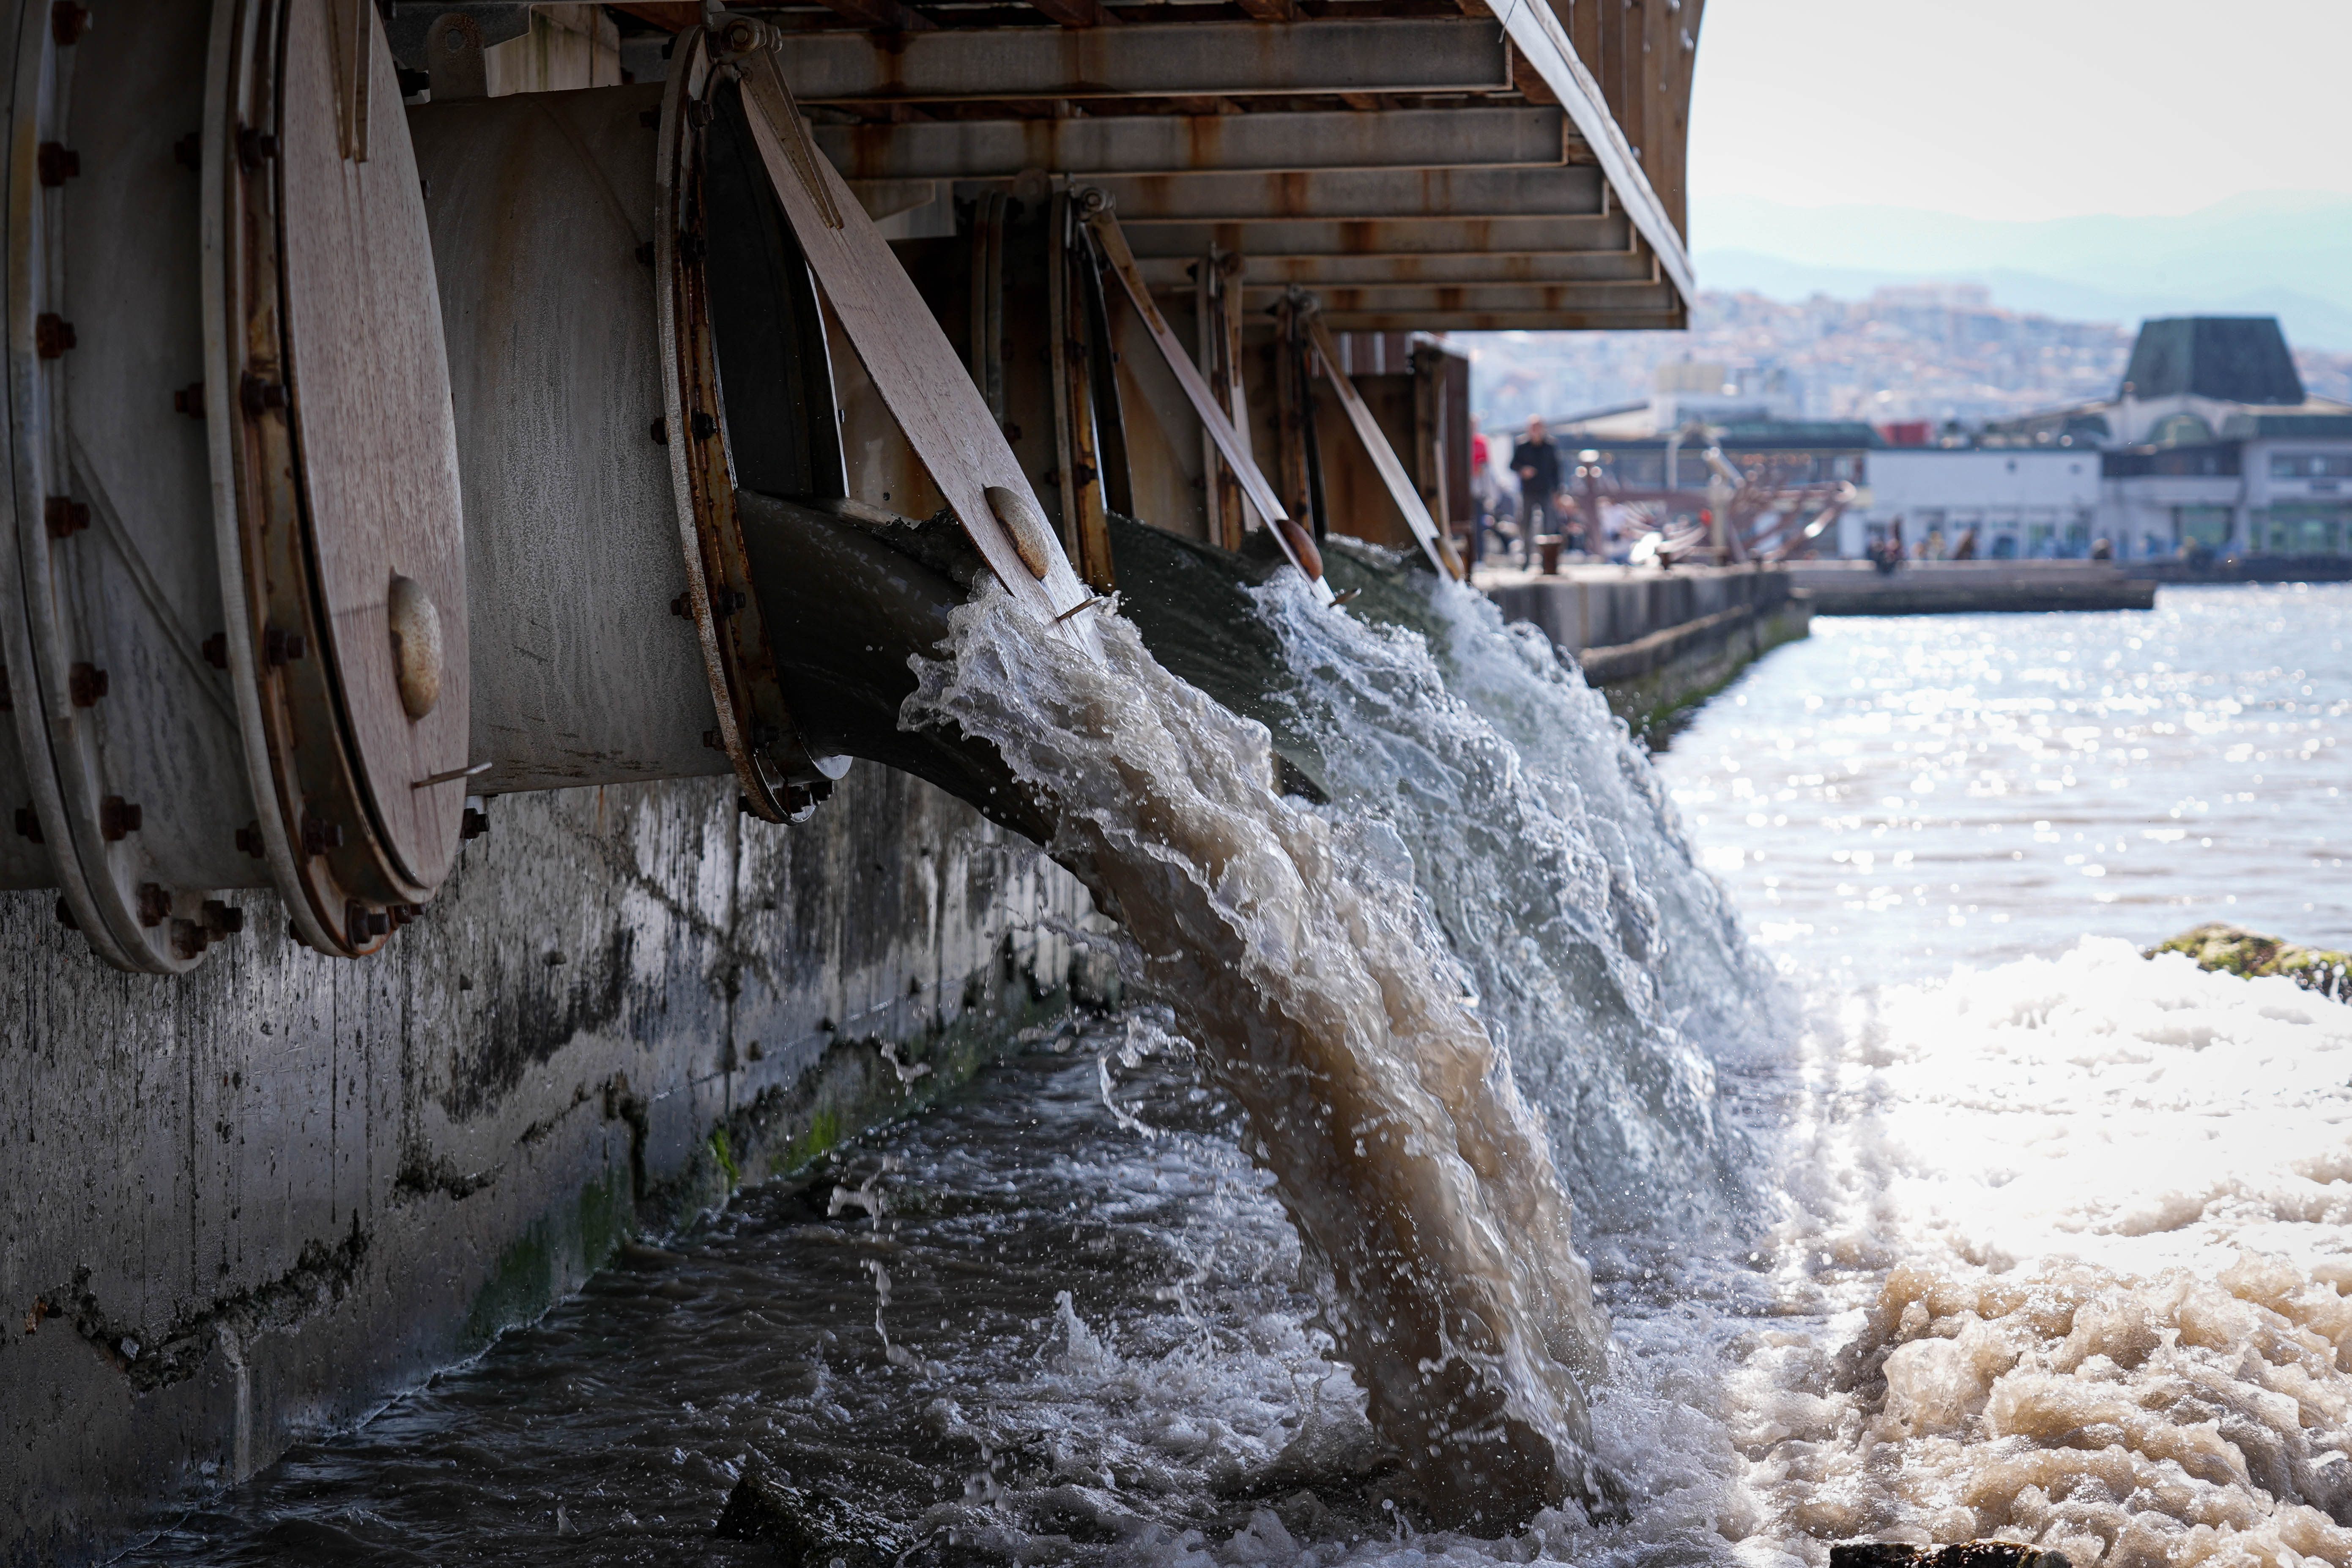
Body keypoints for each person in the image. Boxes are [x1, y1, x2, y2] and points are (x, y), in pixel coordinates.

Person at [1510, 417, 1559, 568]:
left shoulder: (1550, 446)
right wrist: (1523, 470)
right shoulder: (1522, 445)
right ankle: (1526, 560)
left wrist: (1557, 491)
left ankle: (1548, 562)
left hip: (1546, 491)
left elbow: (1556, 469)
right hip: (1528, 491)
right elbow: (1513, 465)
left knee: (1549, 526)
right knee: (1526, 525)